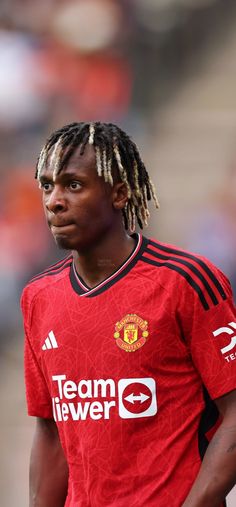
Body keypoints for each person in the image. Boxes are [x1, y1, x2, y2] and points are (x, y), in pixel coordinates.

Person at [21, 121, 236, 507]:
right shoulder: (39, 297)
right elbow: (51, 431)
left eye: (73, 185)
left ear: (119, 193)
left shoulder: (185, 282)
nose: (54, 200)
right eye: (47, 185)